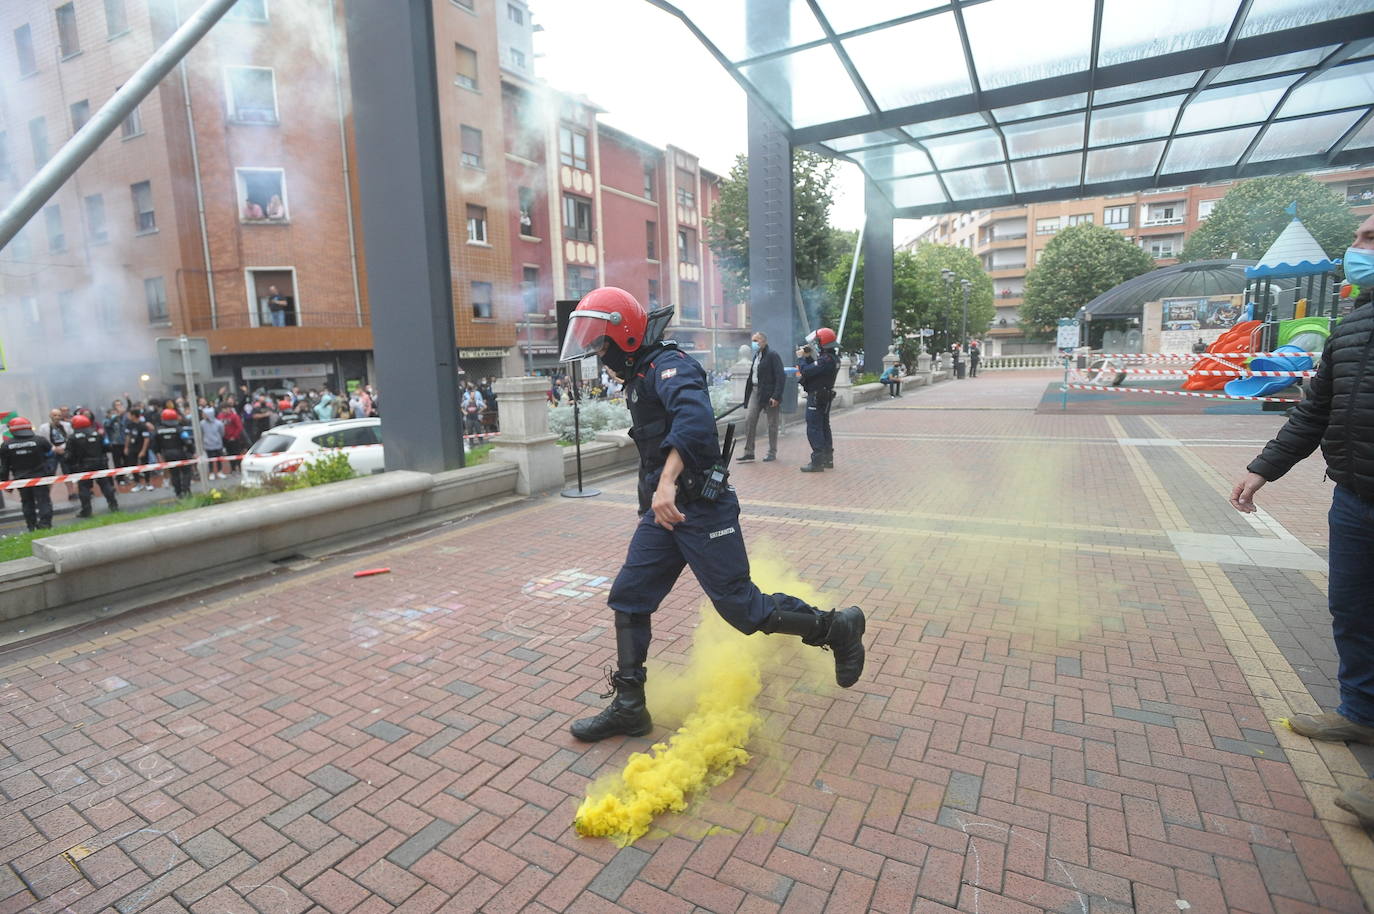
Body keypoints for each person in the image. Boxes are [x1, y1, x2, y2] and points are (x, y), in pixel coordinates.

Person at [559, 288, 867, 742]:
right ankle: (629, 706)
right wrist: (653, 498)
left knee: (743, 610)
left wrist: (666, 484)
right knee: (629, 597)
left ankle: (835, 627)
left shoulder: (671, 366)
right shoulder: (641, 372)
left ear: (623, 337)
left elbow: (694, 422)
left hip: (701, 509)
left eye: (599, 343)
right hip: (663, 515)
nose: (597, 354)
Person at [1229, 213, 1374, 826]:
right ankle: (1359, 712)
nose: (1357, 248)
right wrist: (1264, 467)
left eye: (1369, 238)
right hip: (1356, 497)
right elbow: (1315, 410)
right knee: (1351, 609)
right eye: (1361, 238)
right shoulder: (1353, 324)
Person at [0, 417, 55, 530]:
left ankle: (31, 526)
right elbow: (51, 456)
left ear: (12, 430)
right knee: (43, 501)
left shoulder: (6, 445)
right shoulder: (40, 440)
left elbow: (4, 467)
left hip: (21, 479)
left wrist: (5, 482)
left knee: (27, 503)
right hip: (40, 477)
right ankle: (45, 525)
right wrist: (50, 473)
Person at [737, 330, 783, 463]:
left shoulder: (773, 355)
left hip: (770, 394)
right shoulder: (756, 356)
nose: (754, 343)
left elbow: (780, 377)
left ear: (764, 341)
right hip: (755, 391)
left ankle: (772, 452)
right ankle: (749, 452)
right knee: (749, 419)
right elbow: (753, 376)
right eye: (753, 341)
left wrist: (776, 396)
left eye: (756, 341)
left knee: (772, 424)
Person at [797, 327, 839, 473]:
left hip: (817, 397)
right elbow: (816, 371)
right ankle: (827, 458)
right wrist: (809, 357)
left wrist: (802, 358)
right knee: (823, 426)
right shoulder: (832, 358)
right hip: (824, 396)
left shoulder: (825, 360)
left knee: (814, 428)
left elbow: (807, 371)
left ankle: (817, 461)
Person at [67, 414, 118, 517]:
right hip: (99, 463)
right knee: (105, 485)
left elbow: (69, 455)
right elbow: (106, 448)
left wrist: (67, 459)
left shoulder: (72, 438)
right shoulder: (97, 434)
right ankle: (114, 506)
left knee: (84, 488)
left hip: (83, 466)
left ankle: (86, 511)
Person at [154, 408, 195, 497]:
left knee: (174, 473)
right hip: (180, 452)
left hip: (167, 454)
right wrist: (191, 452)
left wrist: (159, 456)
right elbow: (188, 441)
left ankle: (178, 492)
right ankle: (186, 490)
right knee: (186, 471)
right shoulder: (179, 429)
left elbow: (155, 445)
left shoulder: (158, 431)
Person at [200, 408, 227, 479]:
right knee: (210, 460)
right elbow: (201, 433)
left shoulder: (218, 423)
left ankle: (219, 471)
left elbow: (222, 433)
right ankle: (211, 472)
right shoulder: (202, 423)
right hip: (208, 445)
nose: (203, 415)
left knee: (219, 459)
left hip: (218, 444)